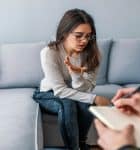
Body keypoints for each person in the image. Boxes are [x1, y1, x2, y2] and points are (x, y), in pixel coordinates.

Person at [33, 8, 110, 150]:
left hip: (72, 92)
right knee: (68, 104)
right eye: (79, 35)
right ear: (64, 33)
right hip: (48, 93)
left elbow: (86, 89)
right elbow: (60, 91)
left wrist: (75, 73)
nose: (84, 41)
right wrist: (94, 98)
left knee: (85, 104)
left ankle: (81, 143)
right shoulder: (49, 53)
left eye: (88, 36)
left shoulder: (93, 55)